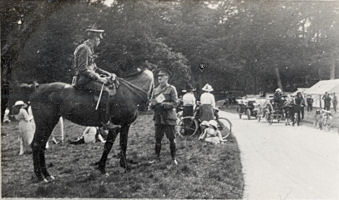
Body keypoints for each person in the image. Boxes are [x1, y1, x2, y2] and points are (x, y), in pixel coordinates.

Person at [72, 26, 117, 129]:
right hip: (82, 80)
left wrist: (109, 74)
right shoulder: (84, 48)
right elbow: (82, 69)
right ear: (94, 38)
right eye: (99, 39)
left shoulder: (89, 48)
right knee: (105, 91)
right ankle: (104, 122)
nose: (100, 41)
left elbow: (95, 68)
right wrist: (100, 78)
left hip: (88, 78)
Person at [150, 68, 178, 165]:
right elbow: (152, 102)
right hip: (158, 117)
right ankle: (157, 157)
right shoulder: (155, 90)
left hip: (168, 117)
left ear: (167, 77)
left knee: (171, 139)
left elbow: (175, 103)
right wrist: (152, 105)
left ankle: (173, 158)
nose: (159, 77)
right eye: (158, 76)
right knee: (158, 139)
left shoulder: (171, 88)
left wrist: (165, 104)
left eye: (162, 75)